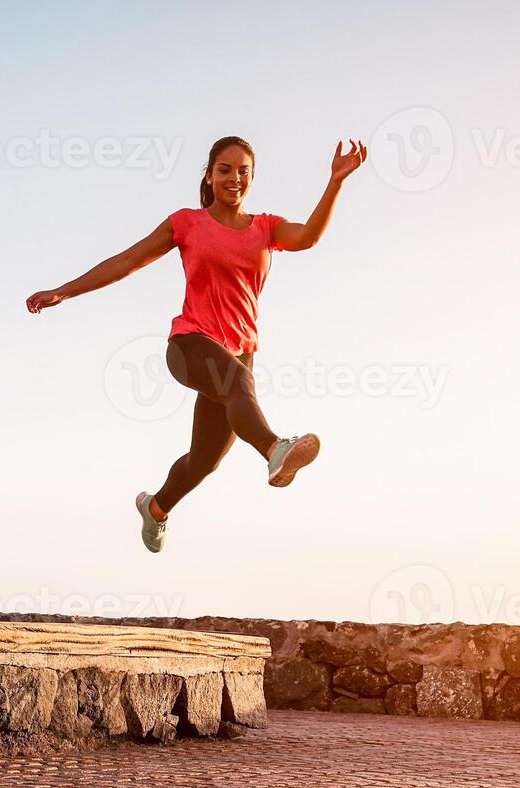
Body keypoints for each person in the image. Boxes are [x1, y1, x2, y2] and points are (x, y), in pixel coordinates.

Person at [26, 136, 367, 553]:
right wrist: (64, 290)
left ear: (252, 178)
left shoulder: (266, 228)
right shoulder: (187, 223)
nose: (234, 178)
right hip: (190, 345)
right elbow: (125, 262)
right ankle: (274, 449)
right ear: (209, 174)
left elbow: (308, 237)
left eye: (244, 171)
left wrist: (335, 181)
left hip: (238, 353)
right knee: (238, 381)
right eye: (225, 169)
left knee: (204, 460)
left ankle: (156, 508)